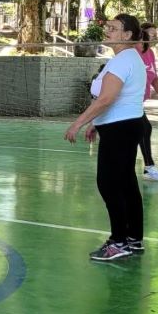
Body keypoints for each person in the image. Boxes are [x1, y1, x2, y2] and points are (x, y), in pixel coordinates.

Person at [64, 14, 148, 262]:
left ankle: (119, 242)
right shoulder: (130, 58)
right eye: (108, 27)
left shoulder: (123, 60)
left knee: (109, 184)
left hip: (120, 129)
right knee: (126, 183)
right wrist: (96, 123)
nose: (107, 31)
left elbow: (106, 99)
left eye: (113, 28)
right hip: (125, 126)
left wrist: (78, 123)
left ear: (127, 35)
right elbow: (118, 99)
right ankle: (133, 238)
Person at [137, 23, 158, 181]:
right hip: (129, 100)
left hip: (138, 101)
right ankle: (149, 167)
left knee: (143, 129)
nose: (155, 37)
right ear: (142, 34)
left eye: (156, 34)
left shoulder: (150, 53)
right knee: (144, 128)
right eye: (152, 34)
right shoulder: (134, 52)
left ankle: (148, 167)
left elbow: (154, 76)